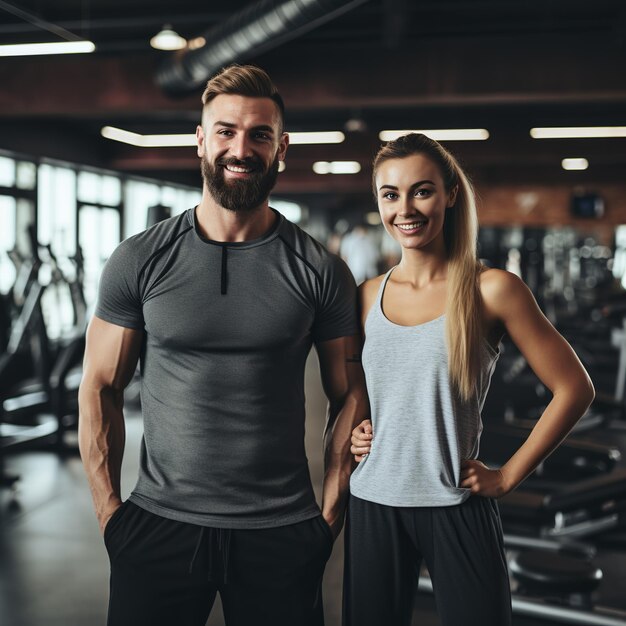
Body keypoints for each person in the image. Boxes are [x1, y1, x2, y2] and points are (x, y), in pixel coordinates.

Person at [78, 64, 366, 626]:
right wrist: (110, 513)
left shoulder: (320, 270)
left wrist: (330, 514)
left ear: (282, 147)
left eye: (260, 134)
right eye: (227, 131)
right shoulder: (140, 259)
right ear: (201, 140)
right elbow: (99, 386)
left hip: (281, 532)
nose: (242, 148)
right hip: (157, 526)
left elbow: (350, 393)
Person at [345, 133, 595, 626]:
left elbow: (575, 388)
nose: (405, 209)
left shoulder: (492, 289)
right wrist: (357, 428)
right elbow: (368, 392)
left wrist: (507, 475)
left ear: (450, 193)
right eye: (390, 194)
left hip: (455, 500)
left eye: (422, 190)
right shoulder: (366, 296)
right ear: (378, 201)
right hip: (374, 501)